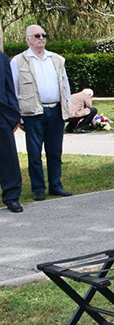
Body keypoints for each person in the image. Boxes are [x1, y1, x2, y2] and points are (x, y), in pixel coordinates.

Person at [10, 25, 72, 201]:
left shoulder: (57, 59)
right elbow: (13, 89)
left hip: (55, 111)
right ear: (27, 39)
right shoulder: (18, 61)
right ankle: (38, 188)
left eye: (44, 35)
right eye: (37, 35)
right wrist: (17, 114)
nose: (41, 38)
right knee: (34, 153)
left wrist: (67, 106)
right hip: (33, 113)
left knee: (55, 152)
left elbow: (65, 84)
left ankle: (55, 186)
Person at [1, 51, 23, 212]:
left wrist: (13, 115)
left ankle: (12, 197)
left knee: (8, 157)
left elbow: (10, 89)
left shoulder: (2, 59)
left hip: (1, 115)